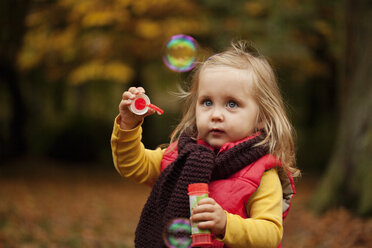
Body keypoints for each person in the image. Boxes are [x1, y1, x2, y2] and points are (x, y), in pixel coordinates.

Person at [111, 40, 300, 248]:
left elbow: (270, 234)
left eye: (232, 104)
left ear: (262, 117)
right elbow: (132, 166)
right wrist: (128, 125)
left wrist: (226, 224)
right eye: (207, 102)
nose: (216, 115)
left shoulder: (261, 173)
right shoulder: (179, 155)